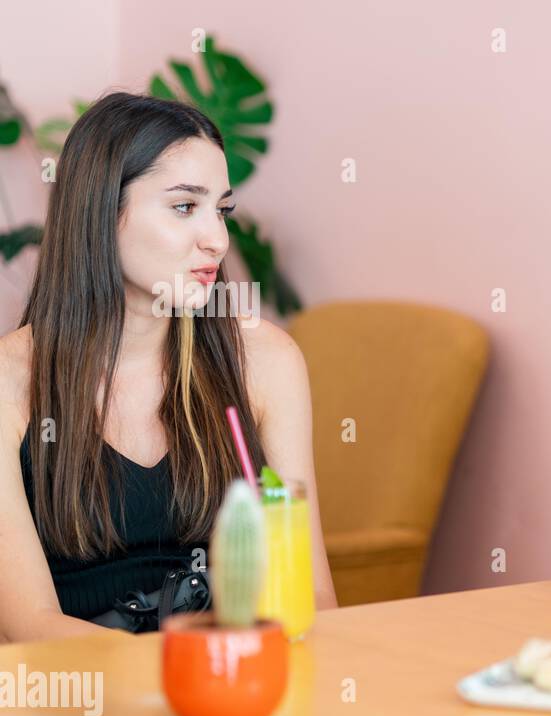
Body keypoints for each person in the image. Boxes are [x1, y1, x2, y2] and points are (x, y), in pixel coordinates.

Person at [0, 92, 336, 643]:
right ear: (101, 213)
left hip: (228, 685)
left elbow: (313, 598)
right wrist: (175, 675)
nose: (218, 239)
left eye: (222, 210)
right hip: (77, 701)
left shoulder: (266, 362)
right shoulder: (11, 382)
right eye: (185, 207)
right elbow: (28, 629)